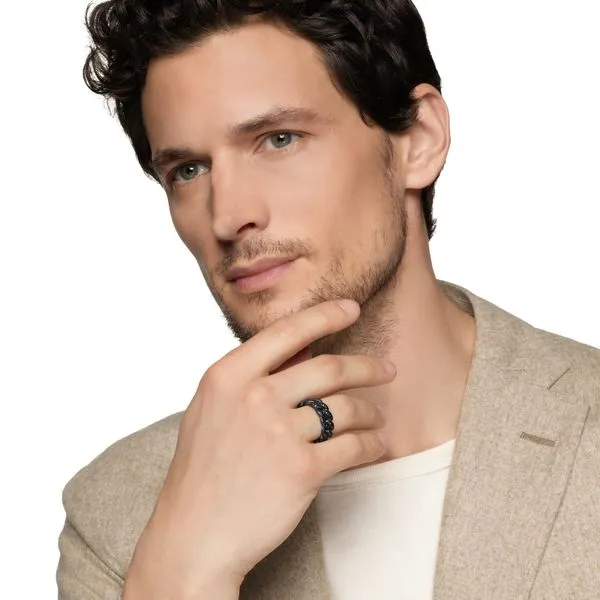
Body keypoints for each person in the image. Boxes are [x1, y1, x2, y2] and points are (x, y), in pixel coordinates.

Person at [57, 1, 600, 598]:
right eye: (188, 170)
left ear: (417, 141)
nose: (229, 215)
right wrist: (188, 568)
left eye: (279, 139)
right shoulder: (116, 513)